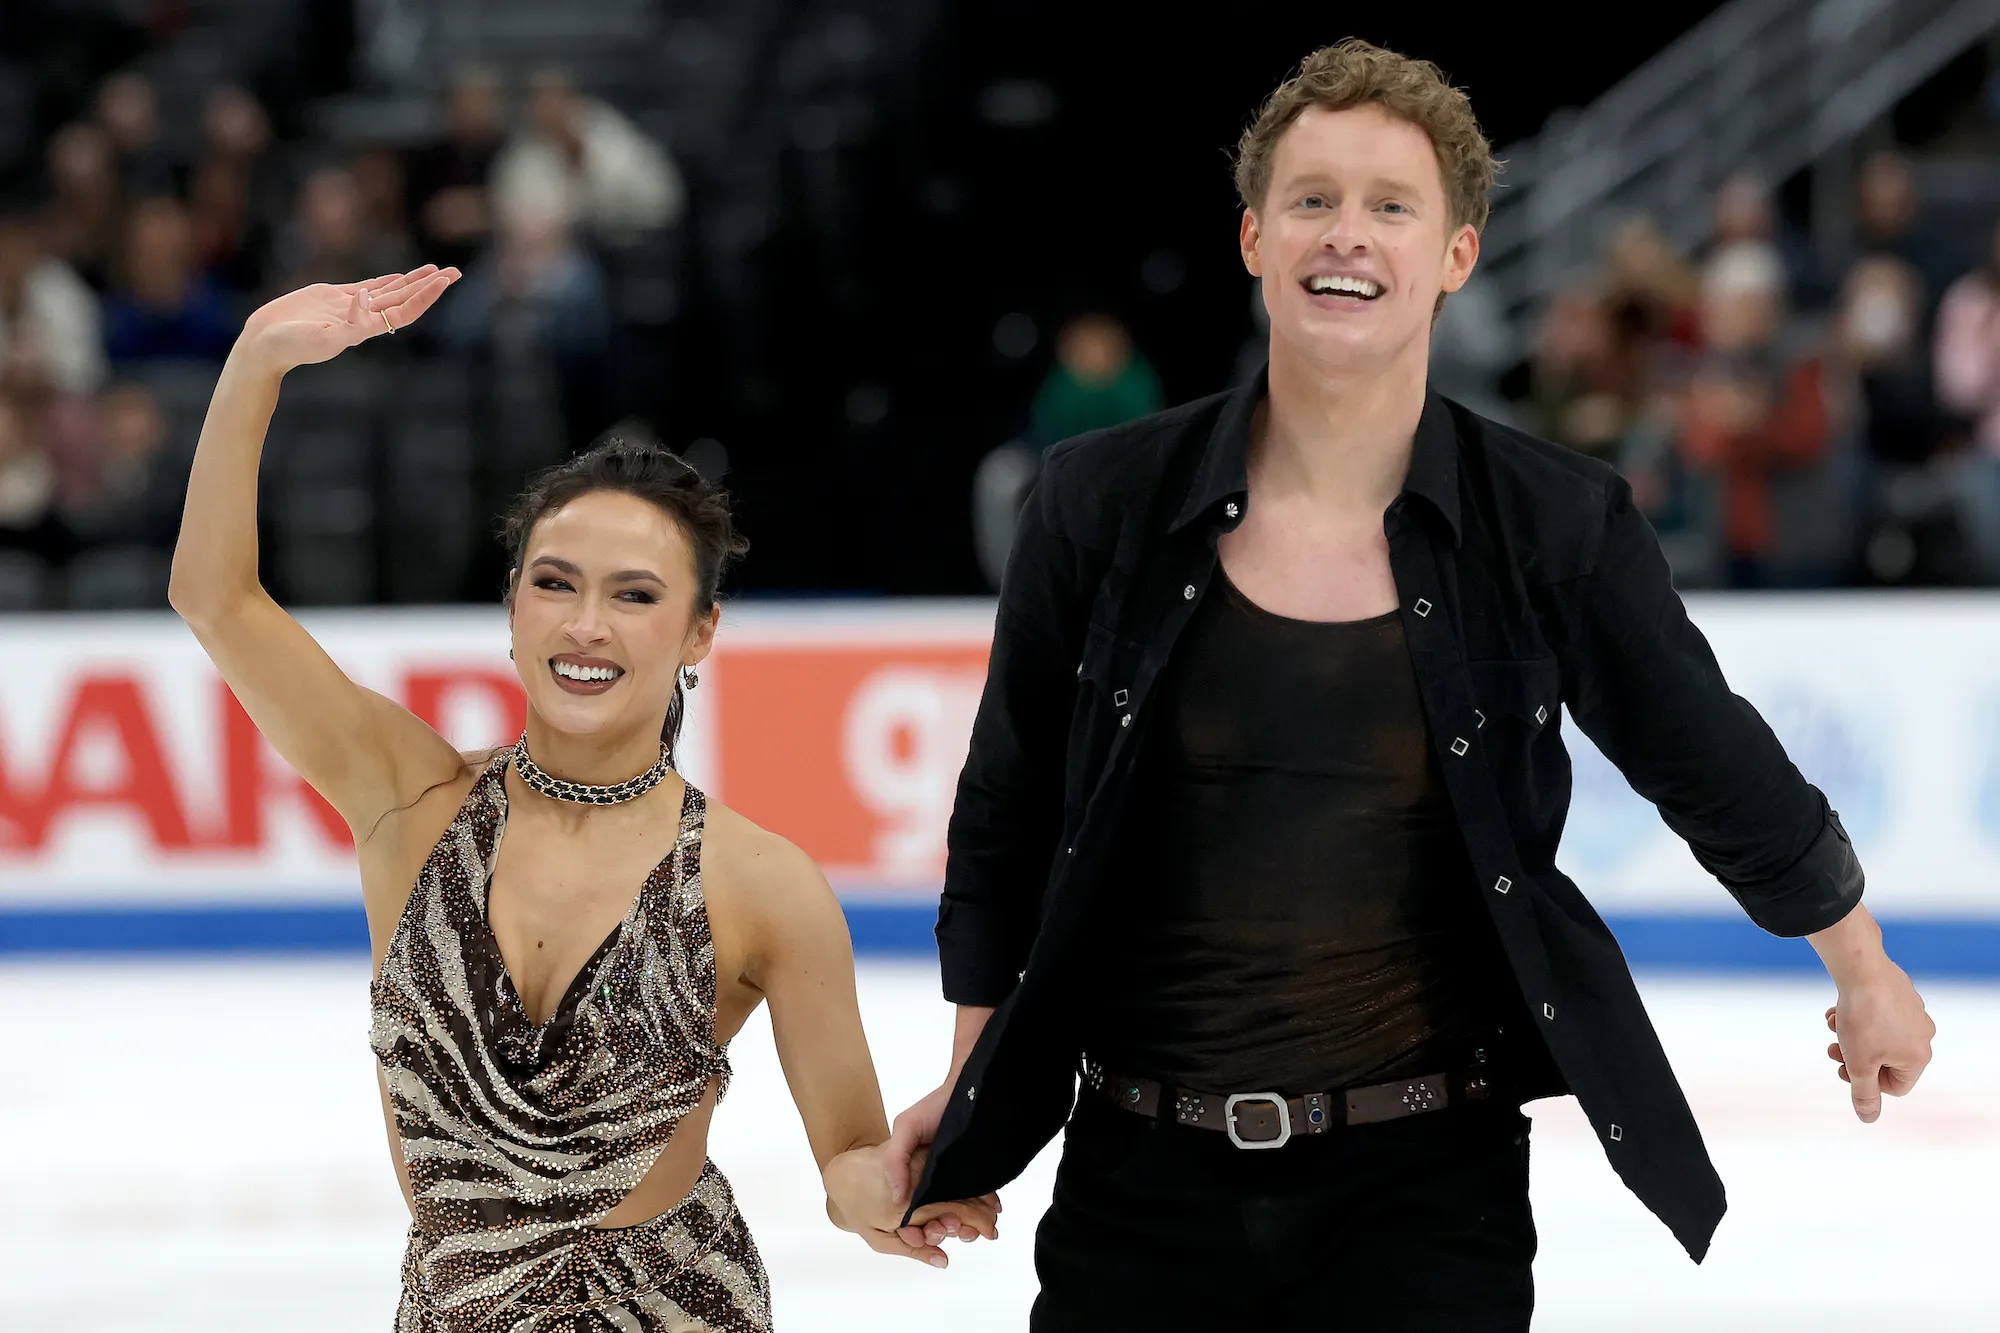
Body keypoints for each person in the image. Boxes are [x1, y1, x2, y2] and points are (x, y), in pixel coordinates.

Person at [884, 41, 1935, 1330]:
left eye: (1391, 205)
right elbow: (1005, 810)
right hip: (1137, 1192)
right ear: (1253, 237)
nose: (1348, 234)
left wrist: (1861, 961)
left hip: (1427, 1200)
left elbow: (1706, 758)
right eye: (1313, 199)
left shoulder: (1551, 521)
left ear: (1455, 256)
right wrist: (975, 1086)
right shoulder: (1099, 502)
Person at [168, 265, 996, 1329]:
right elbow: (214, 597)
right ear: (510, 603)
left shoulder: (760, 882)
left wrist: (882, 1194)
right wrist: (257, 359)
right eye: (553, 581)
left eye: (635, 595)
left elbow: (845, 1161)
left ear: (699, 633)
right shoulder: (405, 799)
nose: (585, 625)